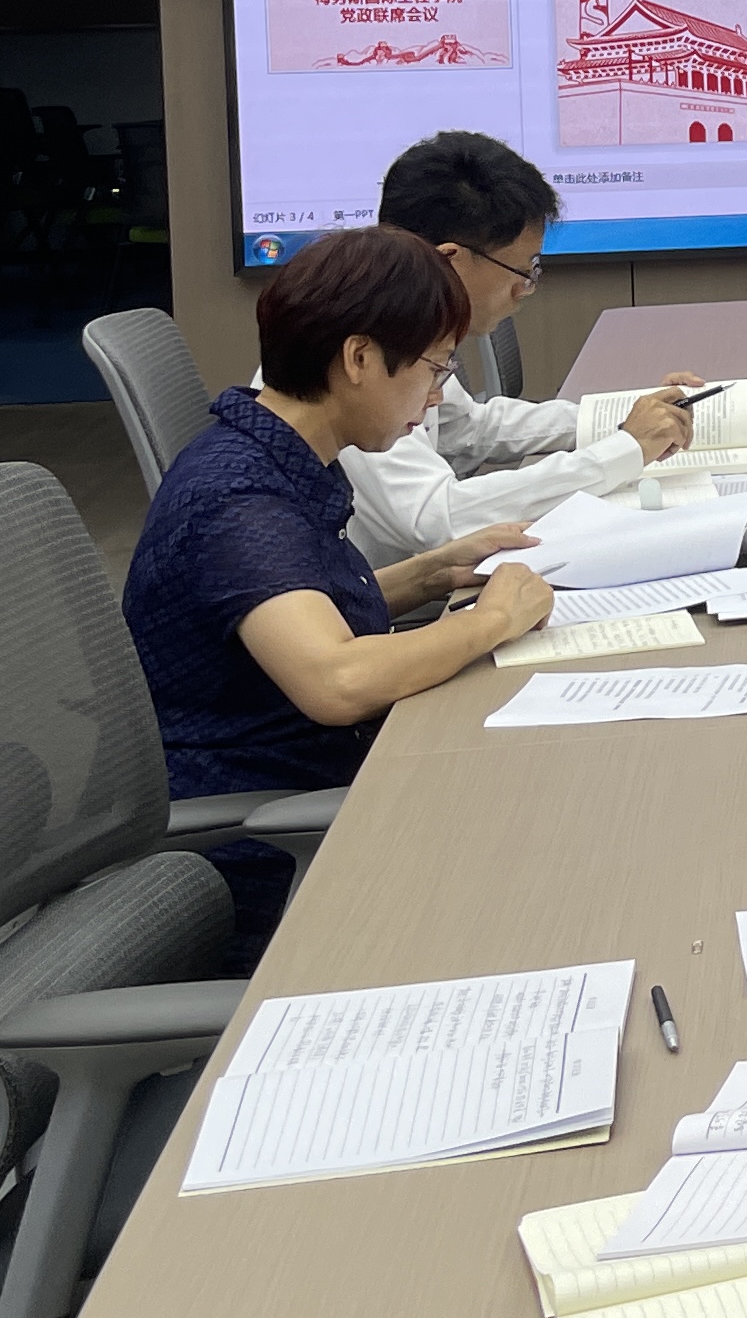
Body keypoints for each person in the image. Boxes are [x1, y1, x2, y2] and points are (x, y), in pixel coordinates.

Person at [127, 227, 554, 962]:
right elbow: (336, 679)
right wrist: (489, 622)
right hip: (271, 848)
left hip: (334, 786)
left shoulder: (273, 450)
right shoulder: (239, 500)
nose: (437, 396)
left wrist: (429, 573)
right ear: (359, 359)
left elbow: (300, 607)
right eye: (433, 368)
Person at [334, 130, 703, 567]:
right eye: (522, 270)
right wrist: (624, 450)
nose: (525, 288)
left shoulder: (399, 319)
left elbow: (467, 429)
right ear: (450, 259)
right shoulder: (361, 351)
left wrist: (620, 417)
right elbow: (438, 519)